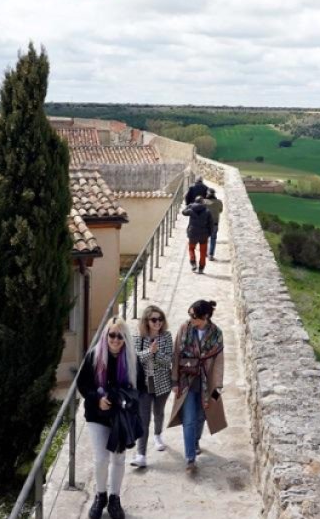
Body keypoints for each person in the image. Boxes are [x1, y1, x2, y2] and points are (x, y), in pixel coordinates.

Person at [77, 318, 143, 519]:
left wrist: (125, 399)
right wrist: (98, 399)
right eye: (111, 335)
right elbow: (83, 385)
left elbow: (139, 388)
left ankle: (114, 498)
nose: (115, 339)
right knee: (100, 459)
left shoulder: (132, 360)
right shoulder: (94, 357)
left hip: (120, 417)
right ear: (106, 335)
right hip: (97, 414)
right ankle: (100, 496)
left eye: (120, 336)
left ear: (125, 338)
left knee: (119, 458)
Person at [167, 299, 226, 472]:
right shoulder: (185, 328)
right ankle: (190, 459)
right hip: (187, 381)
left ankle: (195, 441)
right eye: (190, 314)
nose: (190, 318)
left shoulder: (216, 334)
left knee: (202, 416)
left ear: (205, 316)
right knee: (189, 419)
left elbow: (219, 362)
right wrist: (175, 381)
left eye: (193, 316)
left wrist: (217, 388)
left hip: (207, 384)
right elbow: (176, 353)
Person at [130, 305, 173, 468]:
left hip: (162, 382)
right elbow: (134, 358)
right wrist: (149, 351)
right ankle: (141, 455)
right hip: (144, 384)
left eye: (160, 319)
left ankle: (158, 434)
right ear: (146, 321)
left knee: (159, 412)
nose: (158, 323)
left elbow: (168, 359)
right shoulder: (138, 337)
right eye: (154, 319)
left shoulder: (166, 336)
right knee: (143, 419)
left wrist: (155, 353)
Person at [182, 197, 214, 273]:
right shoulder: (207, 211)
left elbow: (183, 212)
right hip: (204, 234)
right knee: (203, 251)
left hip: (193, 233)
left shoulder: (190, 210)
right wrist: (209, 233)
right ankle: (201, 268)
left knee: (191, 249)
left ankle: (193, 263)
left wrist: (189, 205)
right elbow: (211, 224)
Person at [204, 189, 224, 261]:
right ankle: (211, 255)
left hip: (205, 223)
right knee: (213, 239)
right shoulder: (219, 202)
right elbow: (220, 210)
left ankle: (204, 253)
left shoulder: (204, 202)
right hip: (215, 223)